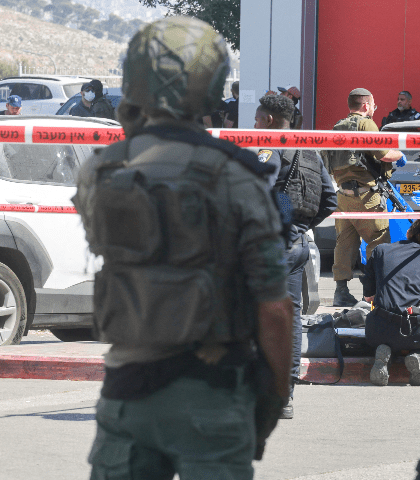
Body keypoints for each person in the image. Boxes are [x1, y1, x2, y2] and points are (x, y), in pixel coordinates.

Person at [73, 17, 292, 478]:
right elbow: (273, 308)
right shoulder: (239, 178)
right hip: (214, 396)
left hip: (126, 396)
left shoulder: (100, 172)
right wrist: (272, 398)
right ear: (211, 86)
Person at [254, 94, 337, 419]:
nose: (254, 126)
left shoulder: (268, 148)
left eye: (258, 120)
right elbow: (329, 201)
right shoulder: (310, 151)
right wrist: (298, 226)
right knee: (291, 321)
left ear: (270, 121)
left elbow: (259, 190)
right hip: (298, 244)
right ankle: (284, 396)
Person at [323, 87, 405, 307]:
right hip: (367, 197)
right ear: (366, 105)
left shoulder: (337, 126)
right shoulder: (366, 124)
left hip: (343, 196)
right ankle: (373, 293)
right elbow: (384, 154)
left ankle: (341, 291)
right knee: (377, 243)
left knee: (344, 243)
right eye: (373, 105)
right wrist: (400, 154)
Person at [362, 219, 420, 386]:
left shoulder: (381, 250)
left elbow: (368, 295)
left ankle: (385, 354)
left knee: (384, 341)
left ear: (409, 232)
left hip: (380, 328)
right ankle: (418, 357)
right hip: (417, 329)